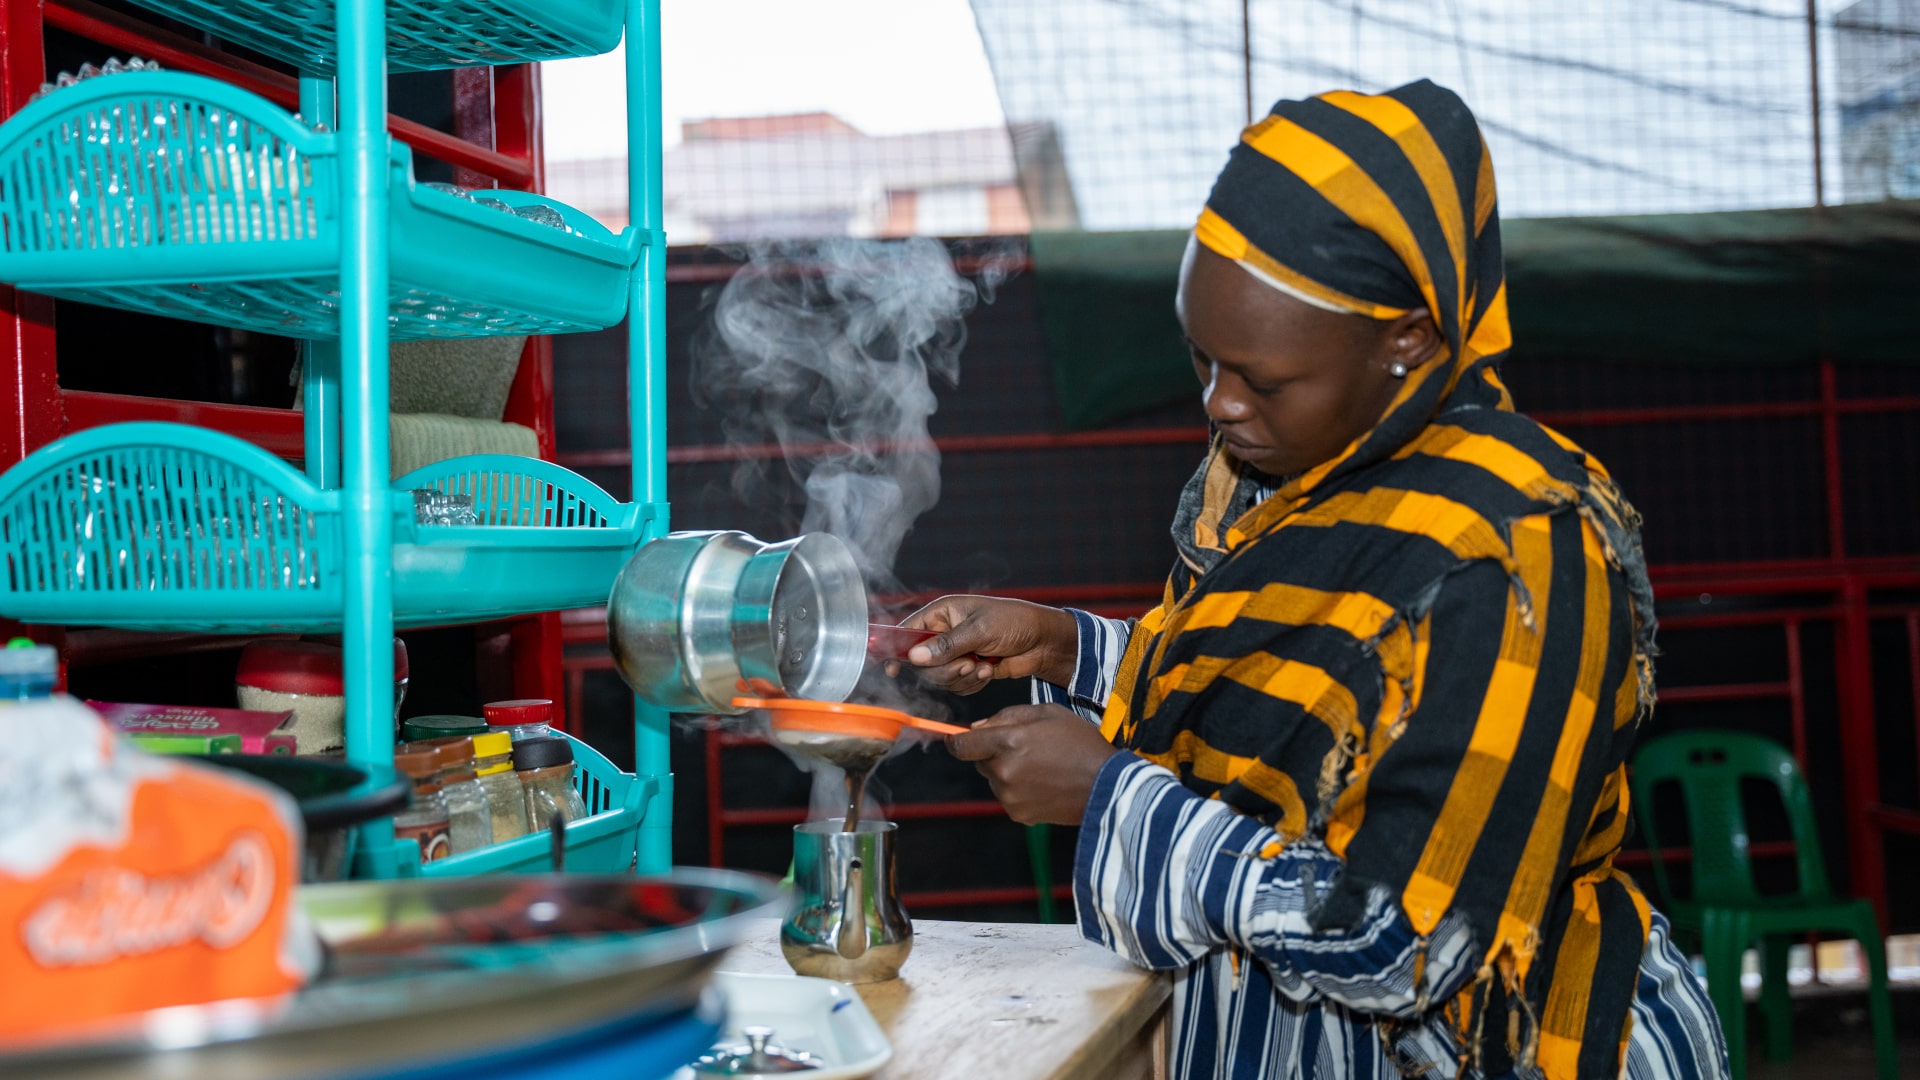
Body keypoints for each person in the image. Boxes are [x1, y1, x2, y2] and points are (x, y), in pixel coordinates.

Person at [897, 82, 1729, 1080]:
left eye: (1260, 377)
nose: (1221, 405)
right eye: (1203, 360)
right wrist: (1065, 647)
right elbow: (1278, 701)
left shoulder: (1518, 555)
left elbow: (1410, 937)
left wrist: (1116, 798)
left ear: (1409, 340)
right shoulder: (1292, 474)